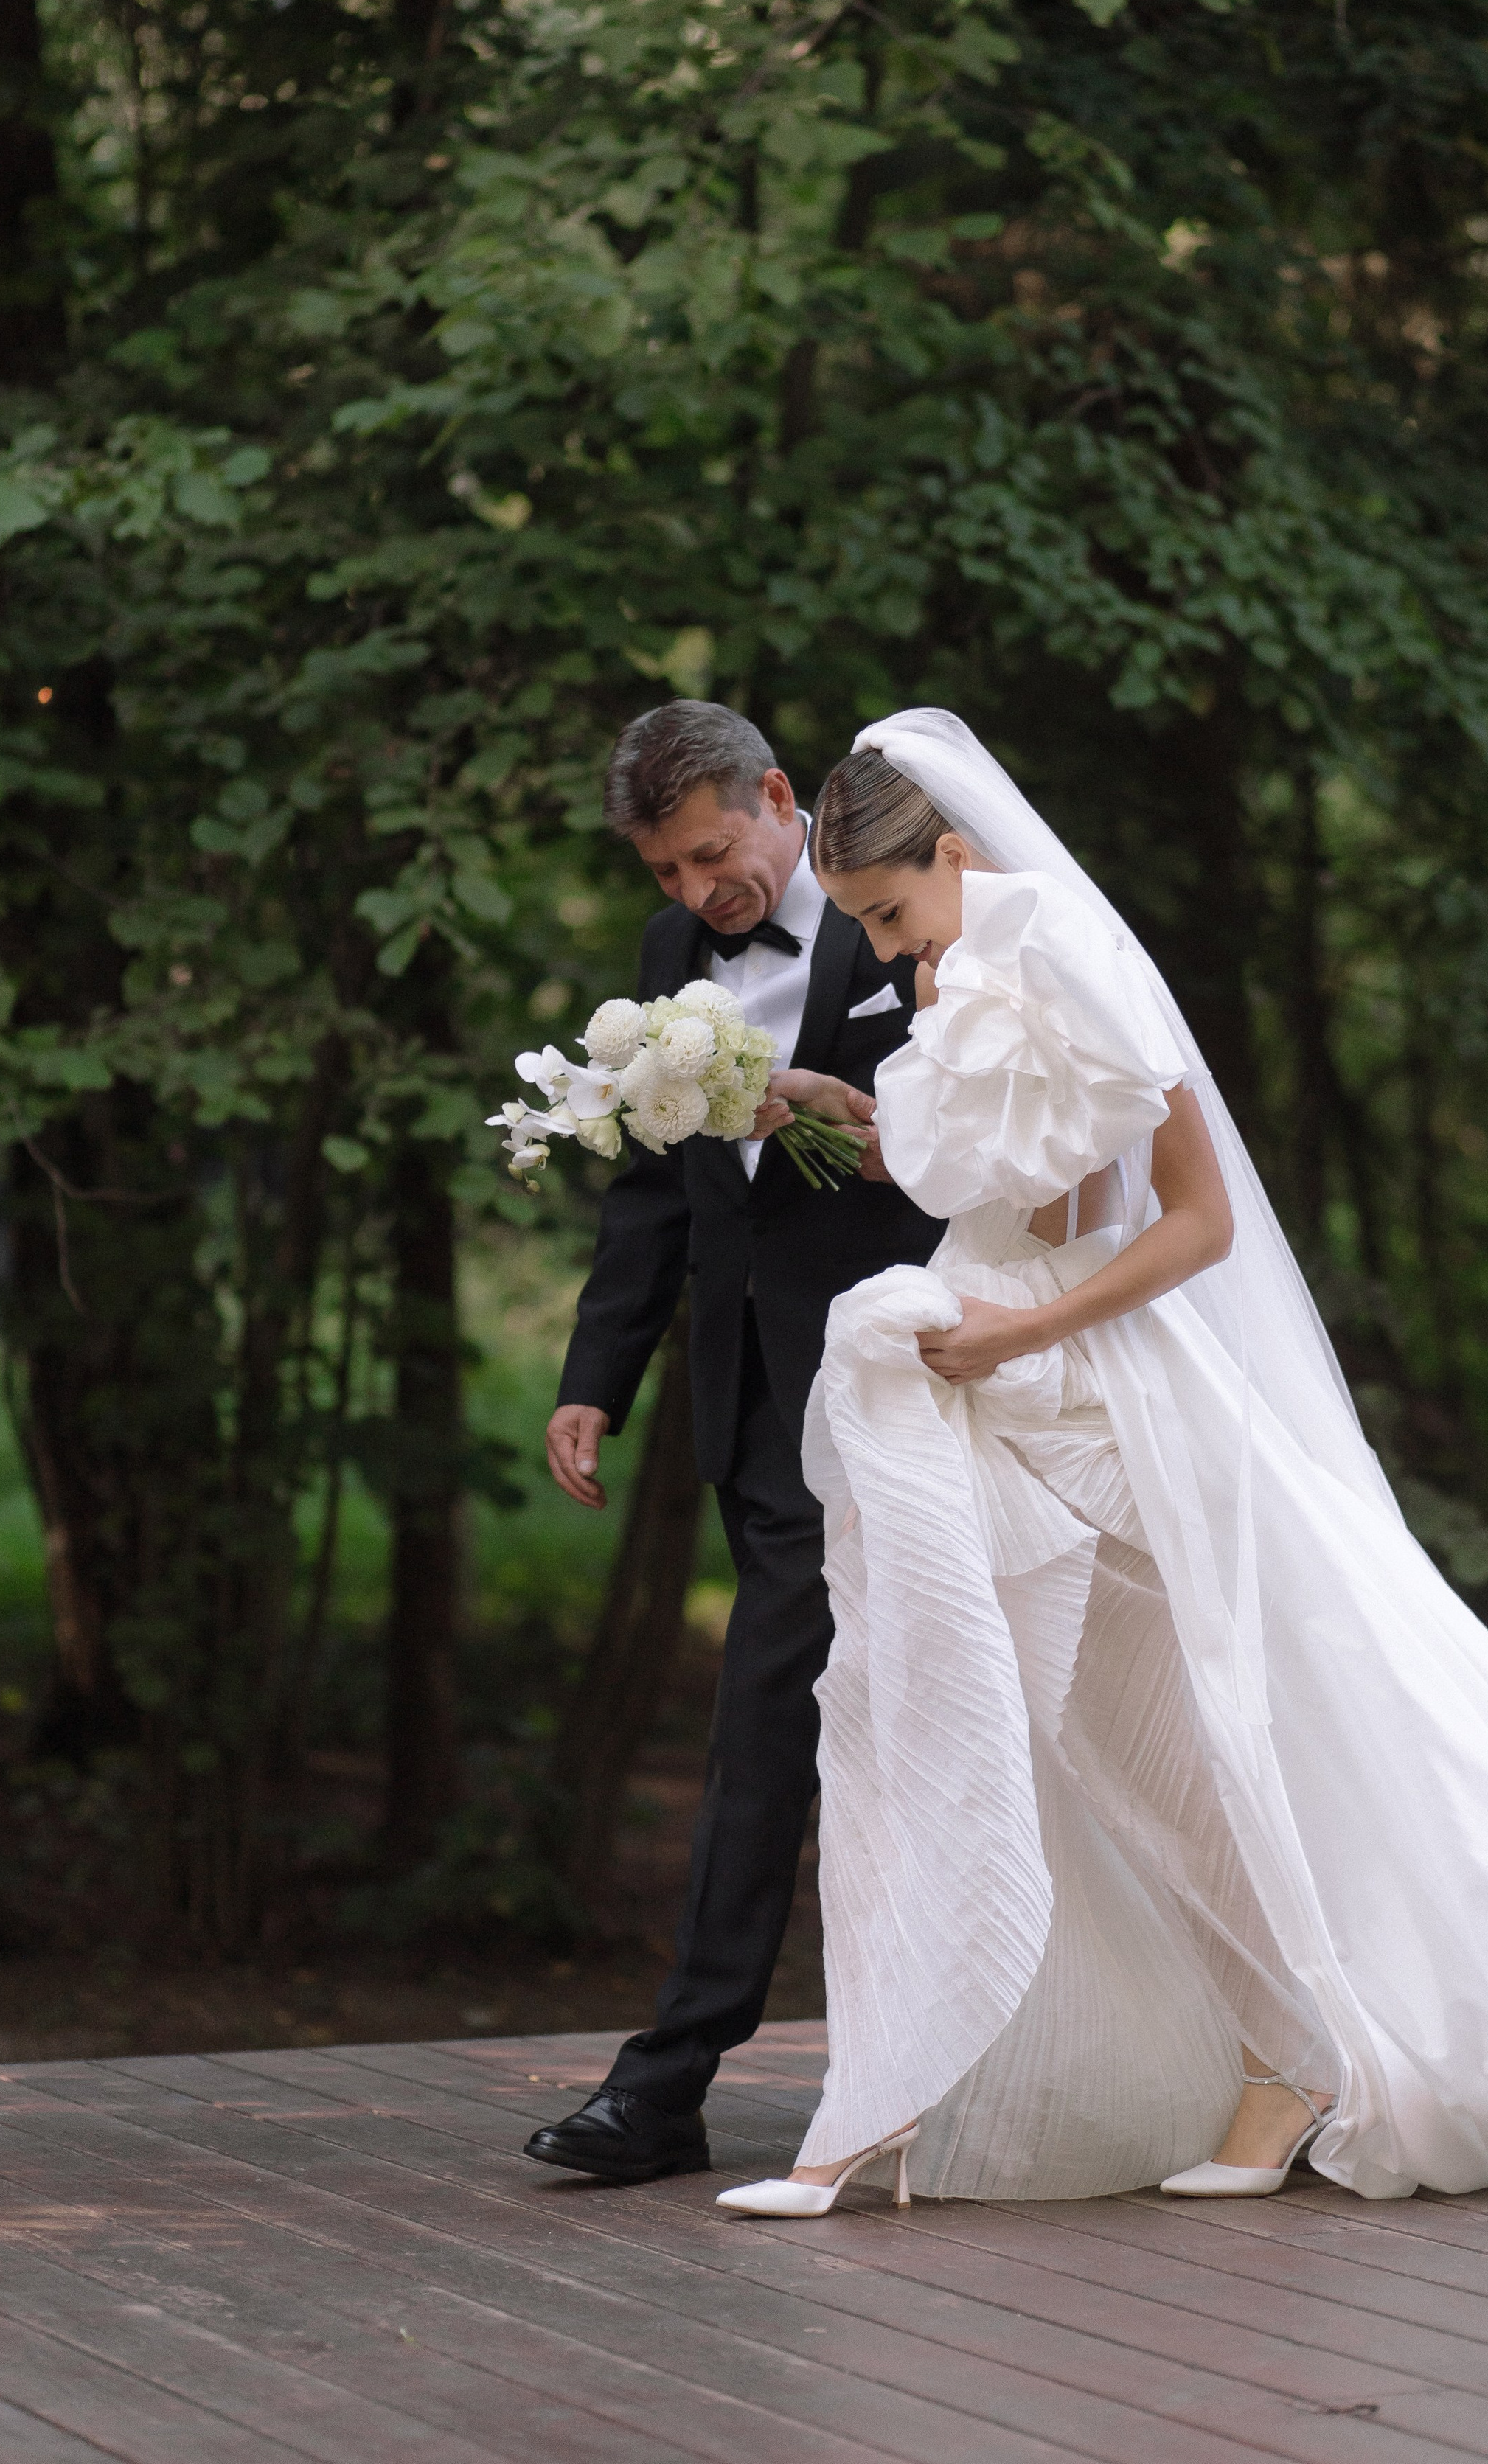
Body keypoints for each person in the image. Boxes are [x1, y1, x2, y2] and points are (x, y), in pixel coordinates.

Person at [715, 708, 1488, 2217]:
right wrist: (837, 1108)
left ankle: (1274, 2060)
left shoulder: (1077, 972)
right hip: (975, 1369)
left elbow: (1185, 1223)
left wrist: (1025, 1337)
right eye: (868, 932)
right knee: (959, 1721)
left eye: (894, 917)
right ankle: (916, 2089)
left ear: (954, 855)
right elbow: (994, 1174)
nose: (891, 957)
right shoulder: (960, 978)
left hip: (1085, 1392)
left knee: (1179, 1739)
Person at [524, 700, 943, 2187]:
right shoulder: (665, 971)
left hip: (938, 1377)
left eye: (711, 853)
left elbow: (1010, 1131)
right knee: (761, 1723)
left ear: (776, 797)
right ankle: (671, 2085)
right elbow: (654, 1192)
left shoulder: (922, 912)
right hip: (767, 1406)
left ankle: (999, 2056)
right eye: (664, 874)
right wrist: (600, 1375)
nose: (700, 893)